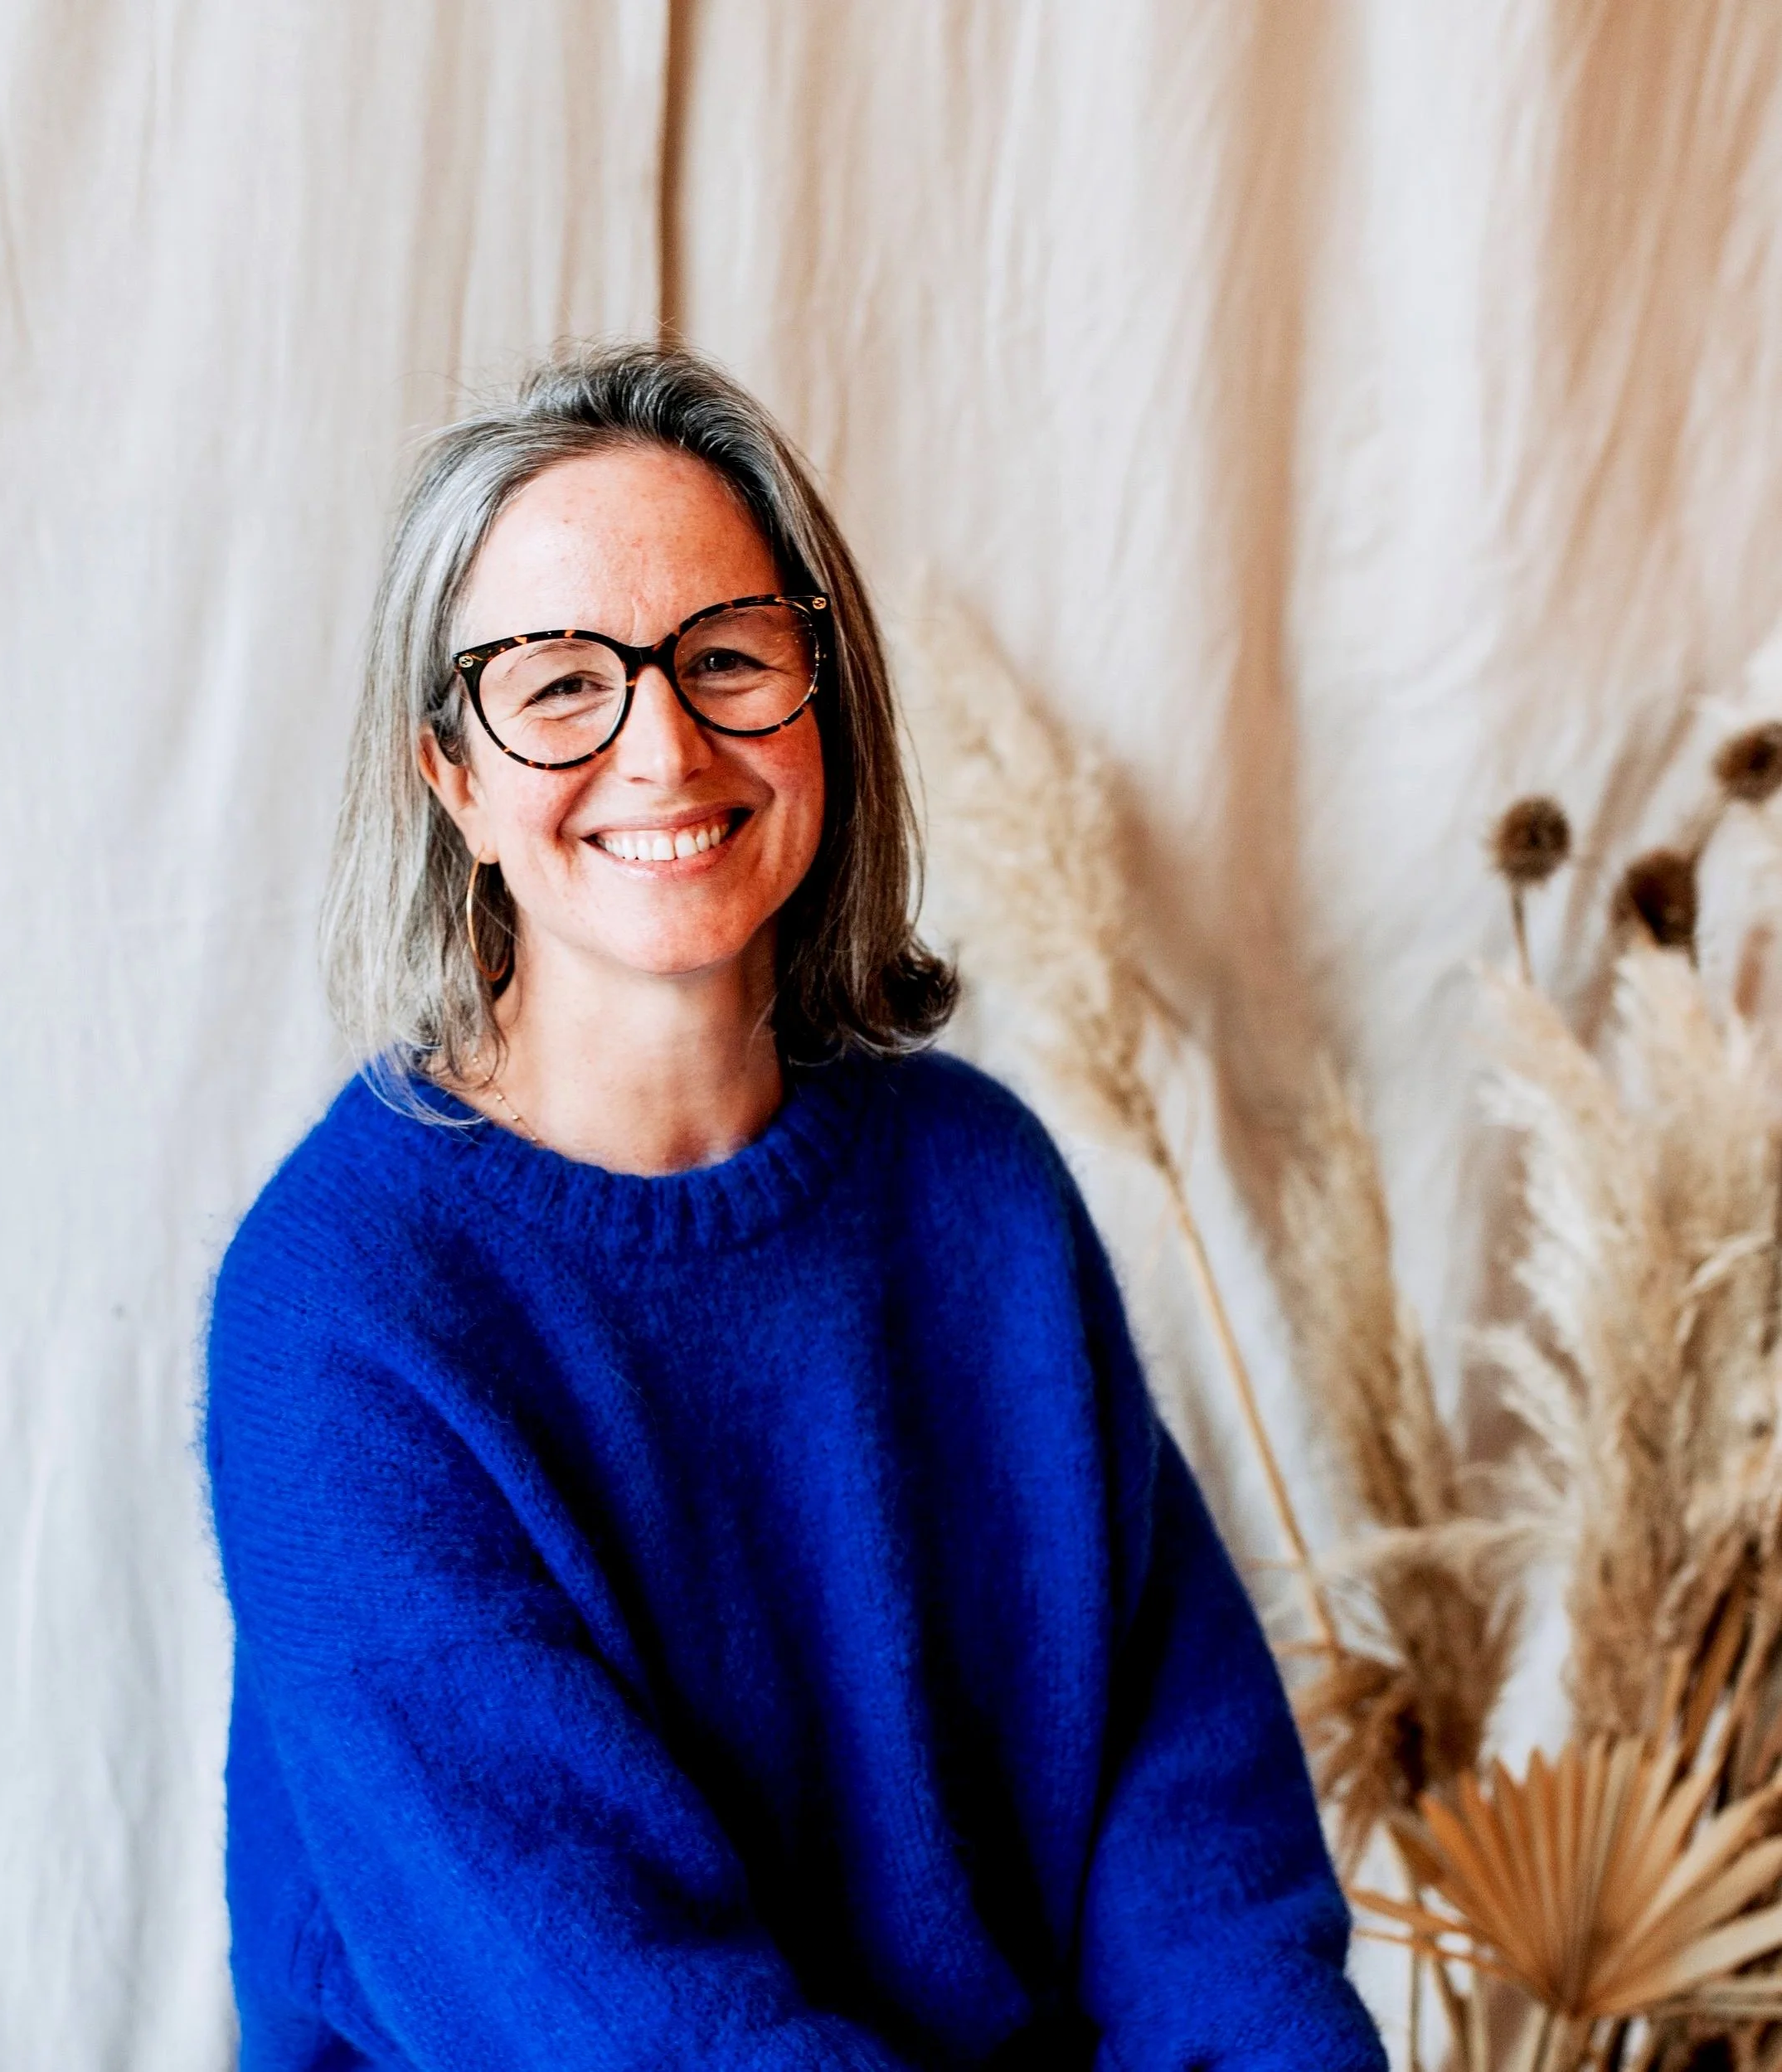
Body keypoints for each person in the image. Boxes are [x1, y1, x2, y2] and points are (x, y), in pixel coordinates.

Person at [203, 342, 1385, 2071]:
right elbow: (614, 2020)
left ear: (820, 702)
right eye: (558, 685)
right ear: (453, 776)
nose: (663, 745)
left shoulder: (976, 1191)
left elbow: (1189, 1815)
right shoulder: (348, 1308)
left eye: (726, 658)